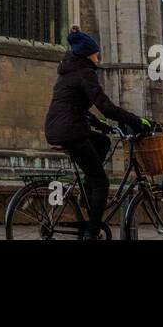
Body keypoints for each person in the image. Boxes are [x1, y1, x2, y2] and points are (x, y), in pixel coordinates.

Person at [44, 25, 154, 239]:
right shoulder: (85, 73)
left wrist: (102, 126)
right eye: (95, 53)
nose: (98, 57)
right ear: (87, 54)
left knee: (103, 142)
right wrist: (136, 121)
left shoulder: (68, 73)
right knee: (102, 182)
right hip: (71, 132)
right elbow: (106, 107)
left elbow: (75, 107)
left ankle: (86, 188)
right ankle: (92, 233)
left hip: (58, 128)